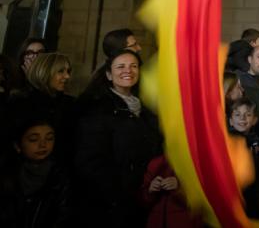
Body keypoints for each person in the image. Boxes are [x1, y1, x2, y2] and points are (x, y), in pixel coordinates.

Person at [74, 49, 161, 227]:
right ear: (108, 74)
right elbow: (92, 161)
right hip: (114, 201)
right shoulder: (98, 108)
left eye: (133, 66)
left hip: (146, 194)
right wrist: (125, 190)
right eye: (120, 66)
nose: (128, 71)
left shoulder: (147, 107)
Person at [0, 116, 73, 228]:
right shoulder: (8, 174)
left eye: (49, 138)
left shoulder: (60, 177)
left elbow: (64, 216)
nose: (43, 145)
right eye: (34, 139)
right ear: (17, 146)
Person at [15, 53, 77, 164]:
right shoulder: (22, 103)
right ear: (44, 72)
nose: (67, 76)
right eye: (61, 71)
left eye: (68, 71)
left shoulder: (71, 104)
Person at [139, 154, 202, 228]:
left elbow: (203, 200)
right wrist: (150, 190)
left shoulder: (193, 162)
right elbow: (142, 200)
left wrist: (180, 187)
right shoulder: (155, 163)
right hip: (156, 222)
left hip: (184, 222)